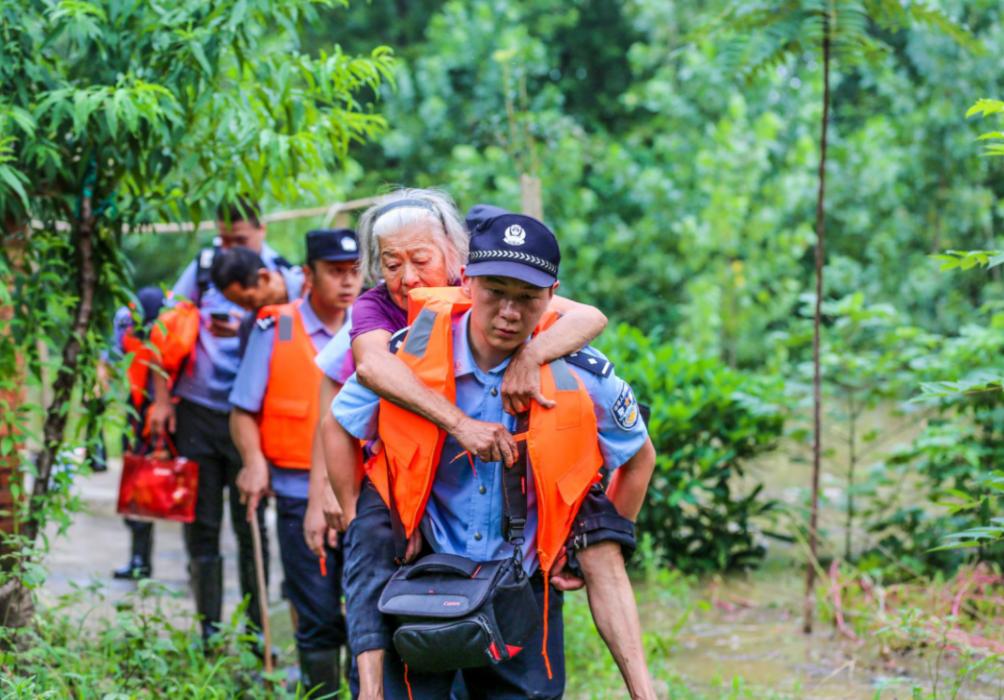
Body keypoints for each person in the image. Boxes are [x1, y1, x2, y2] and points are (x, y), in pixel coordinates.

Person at [329, 213, 657, 698]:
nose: (508, 312)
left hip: (523, 584)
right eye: (494, 292)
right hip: (424, 576)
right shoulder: (409, 354)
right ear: (467, 283)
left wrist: (592, 535)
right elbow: (341, 420)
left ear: (552, 296)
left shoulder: (582, 374)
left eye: (526, 298)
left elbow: (639, 456)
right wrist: (366, 521)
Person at [148, 197, 301, 645]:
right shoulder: (203, 268)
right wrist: (162, 400)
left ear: (262, 231)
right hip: (197, 410)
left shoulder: (284, 277)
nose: (230, 246)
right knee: (201, 523)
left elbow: (295, 344)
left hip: (251, 421)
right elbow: (164, 328)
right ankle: (208, 631)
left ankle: (258, 634)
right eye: (224, 237)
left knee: (250, 522)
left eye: (240, 238)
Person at [229, 228, 363, 695]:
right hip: (293, 494)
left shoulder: (374, 328)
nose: (347, 283)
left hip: (360, 496)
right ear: (308, 275)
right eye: (334, 272)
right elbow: (243, 409)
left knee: (367, 614)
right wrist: (253, 460)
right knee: (319, 614)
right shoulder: (277, 325)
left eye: (354, 272)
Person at [110, 286, 167, 579]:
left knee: (156, 496)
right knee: (137, 496)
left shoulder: (166, 342)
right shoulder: (133, 339)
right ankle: (139, 560)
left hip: (158, 428)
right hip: (138, 425)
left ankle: (140, 561)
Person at [209, 245, 303, 356]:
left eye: (248, 300)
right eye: (239, 304)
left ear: (264, 277)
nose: (247, 309)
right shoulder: (251, 324)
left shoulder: (309, 290)